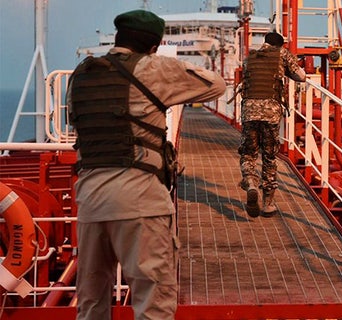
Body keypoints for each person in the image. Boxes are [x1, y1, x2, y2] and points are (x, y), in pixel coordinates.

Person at [68, 10, 226, 320]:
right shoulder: (154, 68)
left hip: (89, 201)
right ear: (153, 45)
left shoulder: (81, 74)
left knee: (90, 303)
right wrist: (170, 66)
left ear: (117, 38)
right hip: (139, 200)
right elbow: (216, 85)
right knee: (153, 300)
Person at [238, 31, 306, 218]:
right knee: (269, 156)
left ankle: (251, 182)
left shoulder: (249, 58)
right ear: (280, 45)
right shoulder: (282, 54)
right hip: (270, 112)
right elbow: (301, 76)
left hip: (249, 111)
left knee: (248, 153)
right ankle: (268, 203)